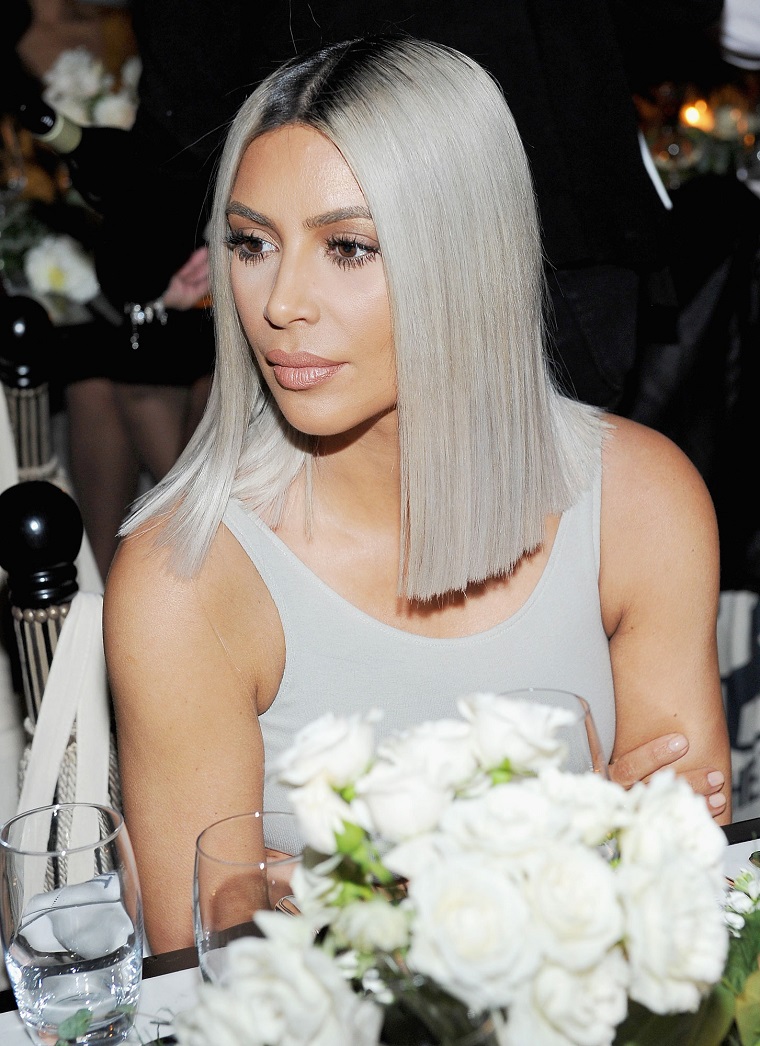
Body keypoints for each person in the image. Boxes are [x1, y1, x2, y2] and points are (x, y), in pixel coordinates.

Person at [103, 35, 731, 953]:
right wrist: (565, 843)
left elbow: (682, 886)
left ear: (468, 254)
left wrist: (346, 889)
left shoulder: (640, 502)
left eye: (348, 247)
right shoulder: (187, 575)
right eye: (252, 242)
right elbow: (208, 964)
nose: (280, 303)